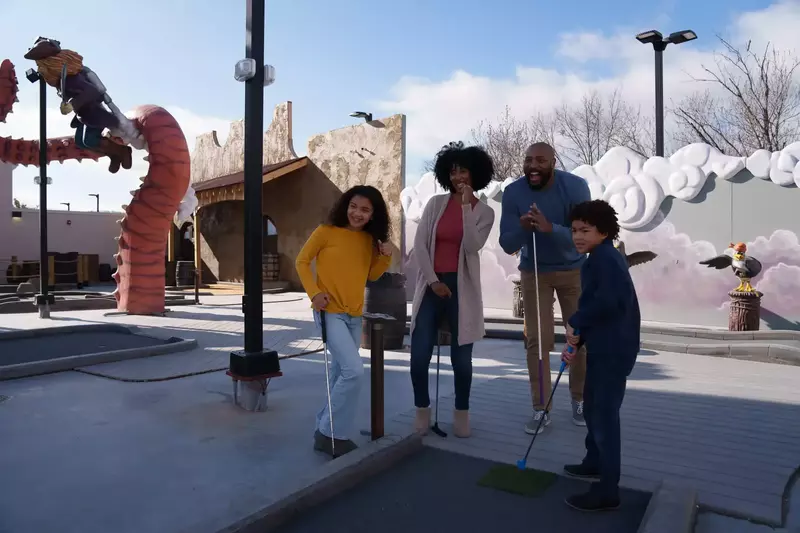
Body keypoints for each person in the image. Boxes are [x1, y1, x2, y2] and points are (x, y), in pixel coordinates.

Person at [499, 142, 591, 434]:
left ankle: (580, 400)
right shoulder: (514, 193)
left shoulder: (576, 187)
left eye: (540, 160)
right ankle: (541, 408)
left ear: (553, 161)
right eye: (528, 160)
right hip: (534, 271)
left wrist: (551, 227)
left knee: (578, 339)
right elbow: (507, 243)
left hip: (573, 271)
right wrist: (525, 227)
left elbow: (584, 236)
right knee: (537, 341)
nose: (533, 166)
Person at [295, 185, 393, 458]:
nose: (357, 213)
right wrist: (314, 293)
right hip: (330, 312)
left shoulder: (369, 242)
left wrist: (385, 257)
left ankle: (324, 427)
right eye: (353, 206)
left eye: (365, 209)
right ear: (345, 206)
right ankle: (329, 434)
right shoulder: (325, 232)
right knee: (354, 371)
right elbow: (302, 261)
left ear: (374, 214)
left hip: (354, 314)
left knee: (341, 373)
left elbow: (371, 276)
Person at [409, 141, 495, 438]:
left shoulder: (484, 213)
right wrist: (433, 281)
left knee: (462, 360)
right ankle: (422, 409)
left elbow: (472, 246)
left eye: (464, 170)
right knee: (419, 355)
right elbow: (419, 246)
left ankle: (461, 413)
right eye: (454, 170)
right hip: (432, 285)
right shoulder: (434, 204)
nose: (459, 176)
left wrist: (466, 210)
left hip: (463, 288)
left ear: (476, 174)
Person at [561, 199, 641, 512]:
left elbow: (611, 302)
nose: (577, 236)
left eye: (585, 230)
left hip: (613, 349)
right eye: (574, 230)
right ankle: (593, 462)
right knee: (593, 408)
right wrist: (576, 343)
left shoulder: (605, 259)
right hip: (603, 346)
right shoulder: (597, 258)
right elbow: (595, 306)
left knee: (605, 417)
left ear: (604, 232)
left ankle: (609, 489)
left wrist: (576, 322)